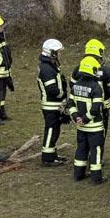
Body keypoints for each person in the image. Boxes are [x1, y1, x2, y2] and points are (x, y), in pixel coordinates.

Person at [67, 56, 106, 186]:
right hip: (94, 127)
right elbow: (96, 108)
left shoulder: (76, 86)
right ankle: (96, 178)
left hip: (81, 127)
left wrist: (76, 117)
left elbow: (70, 104)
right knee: (96, 151)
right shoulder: (96, 87)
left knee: (81, 149)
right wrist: (85, 119)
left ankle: (78, 174)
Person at [71, 40, 110, 140]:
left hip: (80, 106)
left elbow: (72, 85)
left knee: (82, 135)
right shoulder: (106, 70)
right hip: (102, 107)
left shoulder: (78, 68)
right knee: (99, 137)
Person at [37, 39, 68, 167]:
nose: (60, 54)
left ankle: (52, 153)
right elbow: (52, 89)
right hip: (51, 105)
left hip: (54, 104)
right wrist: (63, 96)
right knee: (51, 130)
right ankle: (47, 158)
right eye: (58, 51)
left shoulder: (49, 65)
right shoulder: (47, 69)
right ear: (52, 53)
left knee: (55, 130)